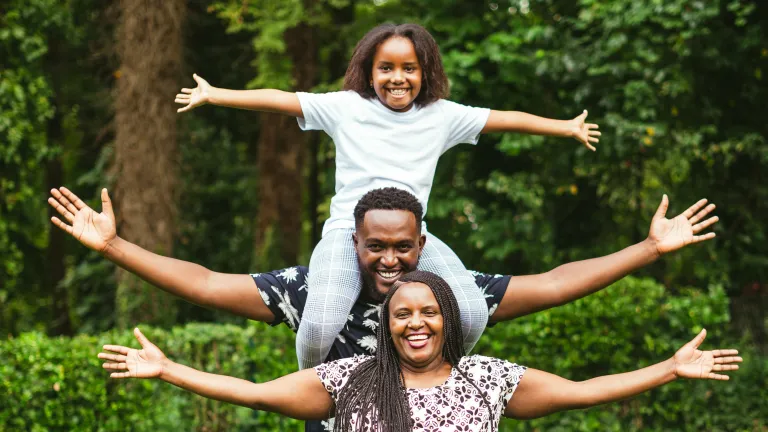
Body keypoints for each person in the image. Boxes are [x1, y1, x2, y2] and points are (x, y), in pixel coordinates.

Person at [48, 185, 718, 431]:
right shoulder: (315, 297)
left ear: (421, 246)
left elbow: (555, 284)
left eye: (403, 246)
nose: (390, 258)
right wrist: (114, 247)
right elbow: (204, 284)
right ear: (355, 244)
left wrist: (648, 250)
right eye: (376, 246)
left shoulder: (461, 324)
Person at [173, 23, 603, 369]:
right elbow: (282, 100)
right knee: (321, 322)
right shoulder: (346, 107)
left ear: (424, 72)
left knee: (471, 312)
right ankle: (312, 391)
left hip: (413, 238)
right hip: (348, 234)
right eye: (386, 68)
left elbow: (503, 119)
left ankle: (432, 383)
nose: (398, 78)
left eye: (409, 68)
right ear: (369, 72)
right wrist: (215, 94)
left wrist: (564, 126)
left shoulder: (441, 116)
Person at [98, 271, 741, 432]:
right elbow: (256, 394)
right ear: (387, 325)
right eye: (401, 314)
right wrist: (169, 369)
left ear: (448, 320)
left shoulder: (488, 379)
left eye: (428, 312)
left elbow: (582, 392)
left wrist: (668, 369)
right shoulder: (350, 378)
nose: (415, 323)